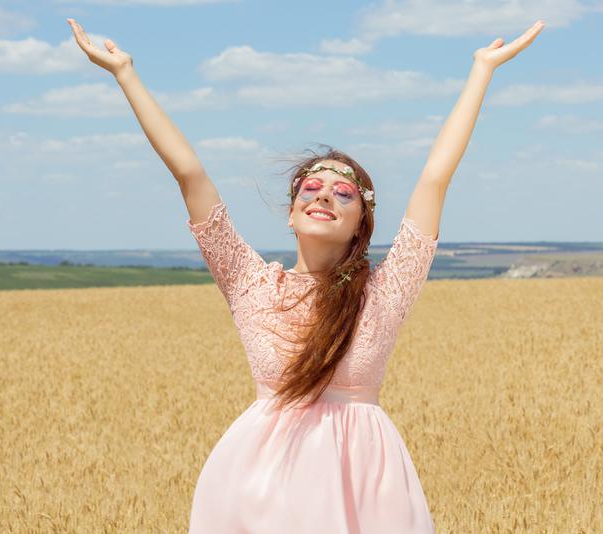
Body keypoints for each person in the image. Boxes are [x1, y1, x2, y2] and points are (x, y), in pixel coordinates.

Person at [67, 16, 544, 533]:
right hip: (261, 485)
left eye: (344, 194)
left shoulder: (386, 290)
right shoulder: (250, 282)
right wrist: (125, 73)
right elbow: (189, 174)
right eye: (310, 188)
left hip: (366, 488)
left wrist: (481, 69)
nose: (323, 195)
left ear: (362, 223)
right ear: (292, 214)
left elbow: (435, 177)